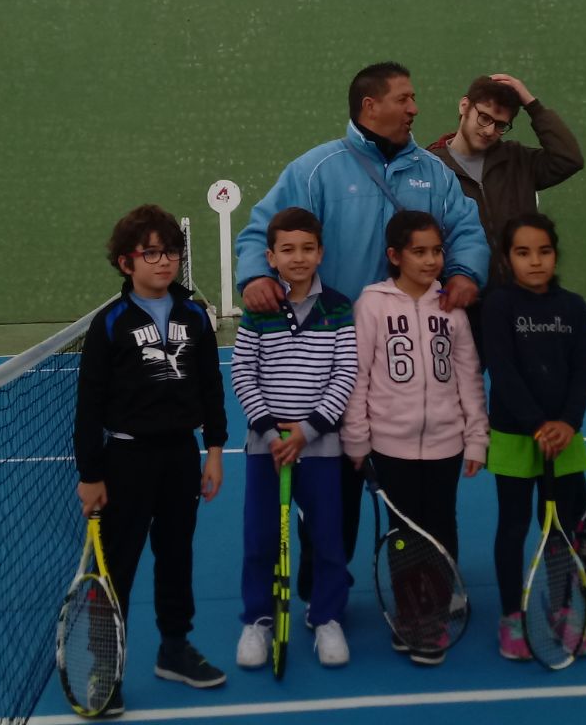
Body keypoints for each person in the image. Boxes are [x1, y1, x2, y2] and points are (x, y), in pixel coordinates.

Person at [236, 61, 489, 599]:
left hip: (407, 375)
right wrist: (256, 275)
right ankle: (321, 594)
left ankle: (427, 585)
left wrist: (466, 272)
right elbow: (263, 230)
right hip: (334, 362)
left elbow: (466, 231)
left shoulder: (434, 174)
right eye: (404, 98)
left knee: (417, 496)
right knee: (335, 495)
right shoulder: (315, 170)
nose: (415, 108)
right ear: (370, 106)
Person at [73, 204, 230, 712]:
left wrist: (214, 451)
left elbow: (211, 387)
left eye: (172, 253)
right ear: (127, 263)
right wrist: (90, 474)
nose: (164, 262)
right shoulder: (109, 324)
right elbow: (88, 405)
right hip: (125, 460)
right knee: (115, 567)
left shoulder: (195, 317)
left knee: (177, 556)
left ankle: (174, 649)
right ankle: (105, 667)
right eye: (152, 253)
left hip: (181, 457)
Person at [341, 210, 488, 664]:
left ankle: (436, 610)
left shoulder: (451, 307)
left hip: (447, 444)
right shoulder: (371, 305)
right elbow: (358, 376)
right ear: (394, 256)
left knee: (442, 527)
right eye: (419, 252)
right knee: (404, 533)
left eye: (437, 251)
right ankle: (411, 613)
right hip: (390, 445)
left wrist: (476, 436)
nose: (431, 260)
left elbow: (469, 375)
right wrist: (357, 438)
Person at [230, 207, 358, 670]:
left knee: (327, 538)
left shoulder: (338, 307)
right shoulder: (257, 310)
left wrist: (306, 431)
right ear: (271, 257)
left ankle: (326, 617)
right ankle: (257, 620)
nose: (298, 257)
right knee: (260, 538)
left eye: (307, 248)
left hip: (319, 445)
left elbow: (346, 373)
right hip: (266, 447)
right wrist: (271, 431)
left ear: (320, 253)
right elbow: (243, 373)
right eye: (288, 249)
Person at [481, 212, 586, 661]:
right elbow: (503, 371)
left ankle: (564, 608)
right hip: (515, 436)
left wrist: (568, 422)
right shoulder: (498, 305)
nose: (535, 261)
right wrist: (536, 424)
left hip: (564, 438)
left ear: (555, 255)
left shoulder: (573, 306)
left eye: (544, 251)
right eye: (523, 252)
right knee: (513, 527)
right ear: (507, 259)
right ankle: (512, 615)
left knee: (563, 529)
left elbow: (583, 370)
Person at [427, 73, 584, 361]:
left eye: (500, 125)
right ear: (464, 106)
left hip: (521, 302)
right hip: (460, 305)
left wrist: (532, 104)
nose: (490, 130)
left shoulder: (518, 159)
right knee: (460, 387)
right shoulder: (430, 167)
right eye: (484, 117)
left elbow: (569, 159)